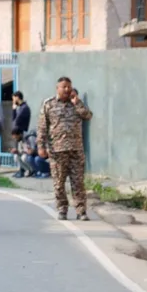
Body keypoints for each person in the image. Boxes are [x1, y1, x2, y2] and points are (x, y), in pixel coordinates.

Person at [37, 76, 93, 221]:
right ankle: (62, 210)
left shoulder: (76, 103)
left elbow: (88, 116)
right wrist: (41, 146)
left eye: (69, 86)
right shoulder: (48, 104)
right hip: (57, 151)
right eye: (64, 87)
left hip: (76, 150)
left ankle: (81, 211)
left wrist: (77, 103)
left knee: (78, 183)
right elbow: (42, 127)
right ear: (58, 88)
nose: (67, 89)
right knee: (59, 184)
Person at [11, 91, 31, 177]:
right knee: (17, 153)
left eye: (13, 98)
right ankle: (21, 170)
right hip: (18, 132)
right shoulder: (20, 108)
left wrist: (15, 109)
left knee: (22, 153)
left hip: (21, 133)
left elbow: (16, 121)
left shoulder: (24, 108)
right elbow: (14, 120)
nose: (13, 100)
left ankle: (26, 170)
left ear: (17, 97)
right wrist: (14, 109)